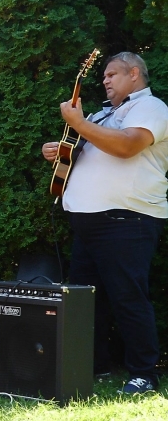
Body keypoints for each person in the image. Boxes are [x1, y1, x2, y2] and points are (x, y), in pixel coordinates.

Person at [42, 52, 168, 394]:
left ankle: (145, 373)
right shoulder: (101, 113)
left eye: (112, 74)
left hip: (128, 219)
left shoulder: (152, 108)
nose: (106, 80)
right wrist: (60, 149)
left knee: (129, 297)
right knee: (85, 302)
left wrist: (80, 124)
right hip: (88, 222)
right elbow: (86, 149)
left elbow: (128, 146)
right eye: (104, 76)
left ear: (134, 73)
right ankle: (91, 365)